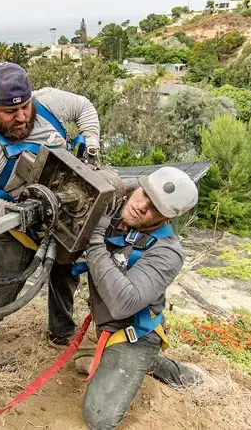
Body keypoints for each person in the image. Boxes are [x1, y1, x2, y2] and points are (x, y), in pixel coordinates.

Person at [0, 62, 101, 348]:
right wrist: (18, 214)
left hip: (64, 214)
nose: (20, 117)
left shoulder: (52, 103)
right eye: (9, 112)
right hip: (16, 225)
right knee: (4, 286)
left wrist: (90, 140)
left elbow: (85, 107)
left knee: (64, 275)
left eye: (25, 107)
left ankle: (62, 333)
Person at [78, 166, 205, 429]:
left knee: (98, 419)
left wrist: (94, 241)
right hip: (107, 324)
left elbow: (123, 303)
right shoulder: (113, 210)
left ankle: (160, 366)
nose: (141, 205)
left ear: (166, 218)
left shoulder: (168, 252)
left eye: (154, 207)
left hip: (135, 334)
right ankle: (111, 362)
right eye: (144, 193)